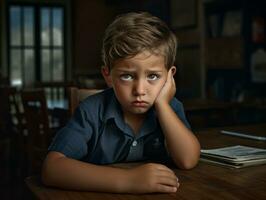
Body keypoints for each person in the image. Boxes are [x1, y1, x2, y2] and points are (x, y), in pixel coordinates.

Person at [41, 12, 200, 194]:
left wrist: (163, 105)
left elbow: (188, 160)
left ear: (170, 77)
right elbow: (51, 168)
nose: (140, 90)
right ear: (108, 75)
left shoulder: (170, 107)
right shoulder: (91, 111)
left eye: (153, 76)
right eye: (127, 76)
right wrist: (129, 180)